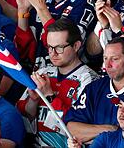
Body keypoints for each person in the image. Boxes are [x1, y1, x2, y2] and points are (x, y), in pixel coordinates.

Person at [20, 18, 97, 147]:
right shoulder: (42, 73)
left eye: (59, 47)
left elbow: (81, 128)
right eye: (50, 47)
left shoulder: (90, 80)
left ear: (76, 46)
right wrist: (33, 101)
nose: (53, 53)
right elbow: (23, 119)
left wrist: (50, 96)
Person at [64, 38, 124, 144]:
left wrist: (91, 136)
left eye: (114, 59)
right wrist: (110, 129)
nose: (108, 65)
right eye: (105, 58)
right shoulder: (94, 88)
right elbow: (71, 130)